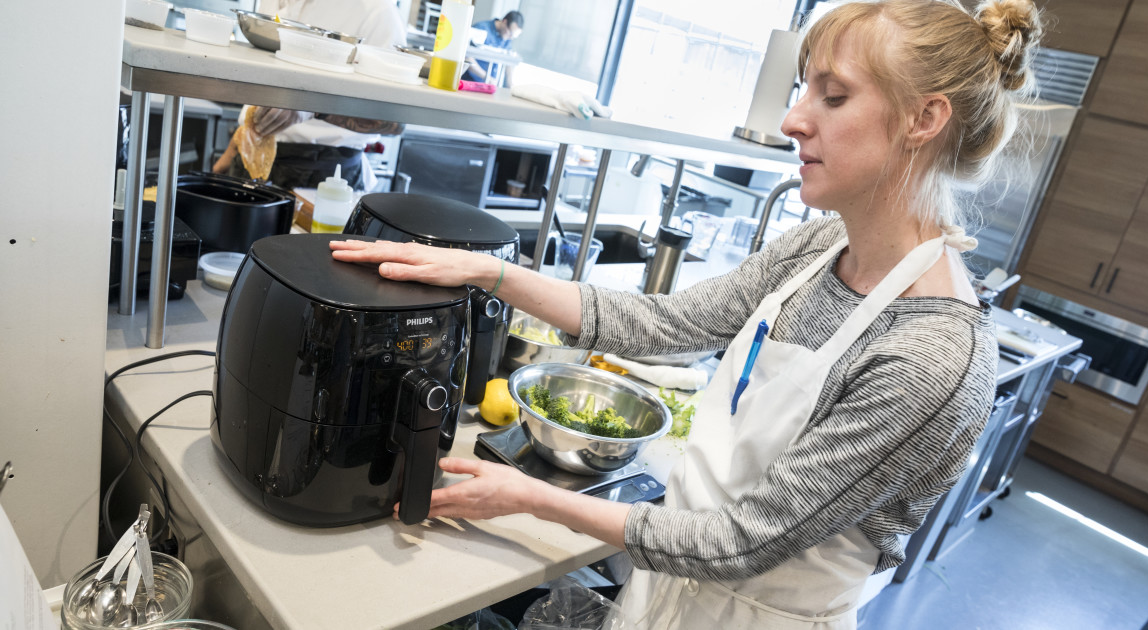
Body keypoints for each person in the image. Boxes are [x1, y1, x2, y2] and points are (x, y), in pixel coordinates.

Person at [329, 0, 1041, 626]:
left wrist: (529, 497)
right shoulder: (822, 247)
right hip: (667, 597)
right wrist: (493, 273)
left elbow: (743, 544)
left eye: (833, 96)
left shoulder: (934, 359)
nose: (793, 119)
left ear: (925, 118)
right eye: (804, 91)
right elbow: (667, 326)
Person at [212, 0, 407, 191]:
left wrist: (312, 108)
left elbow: (395, 121)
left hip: (325, 178)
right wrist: (233, 150)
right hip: (247, 159)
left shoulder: (377, 11)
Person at [462, 10, 523, 85]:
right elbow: (467, 57)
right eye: (510, 33)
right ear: (504, 21)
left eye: (513, 36)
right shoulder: (482, 28)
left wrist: (511, 85)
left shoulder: (507, 39)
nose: (510, 37)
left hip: (488, 85)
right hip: (469, 82)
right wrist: (486, 77)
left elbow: (508, 64)